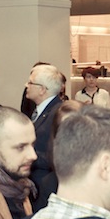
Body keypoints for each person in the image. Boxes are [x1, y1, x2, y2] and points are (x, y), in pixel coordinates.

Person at [25, 63, 64, 191]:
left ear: (42, 89)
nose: (26, 85)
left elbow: (58, 155)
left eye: (30, 83)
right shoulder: (40, 110)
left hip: (46, 186)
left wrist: (24, 154)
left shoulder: (58, 114)